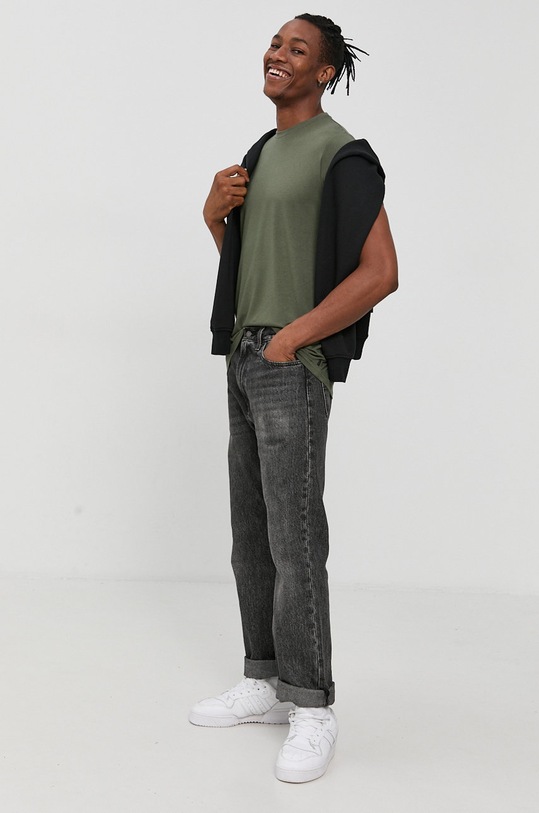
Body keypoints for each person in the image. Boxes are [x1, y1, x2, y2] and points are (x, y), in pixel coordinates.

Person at [189, 13, 398, 783]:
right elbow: (254, 262)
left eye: (297, 49)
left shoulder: (341, 154)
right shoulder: (261, 152)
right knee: (251, 534)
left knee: (294, 538)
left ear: (324, 72)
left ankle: (311, 703)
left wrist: (293, 338)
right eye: (276, 43)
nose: (278, 54)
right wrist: (214, 218)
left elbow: (380, 271)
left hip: (288, 360)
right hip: (245, 354)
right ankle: (264, 677)